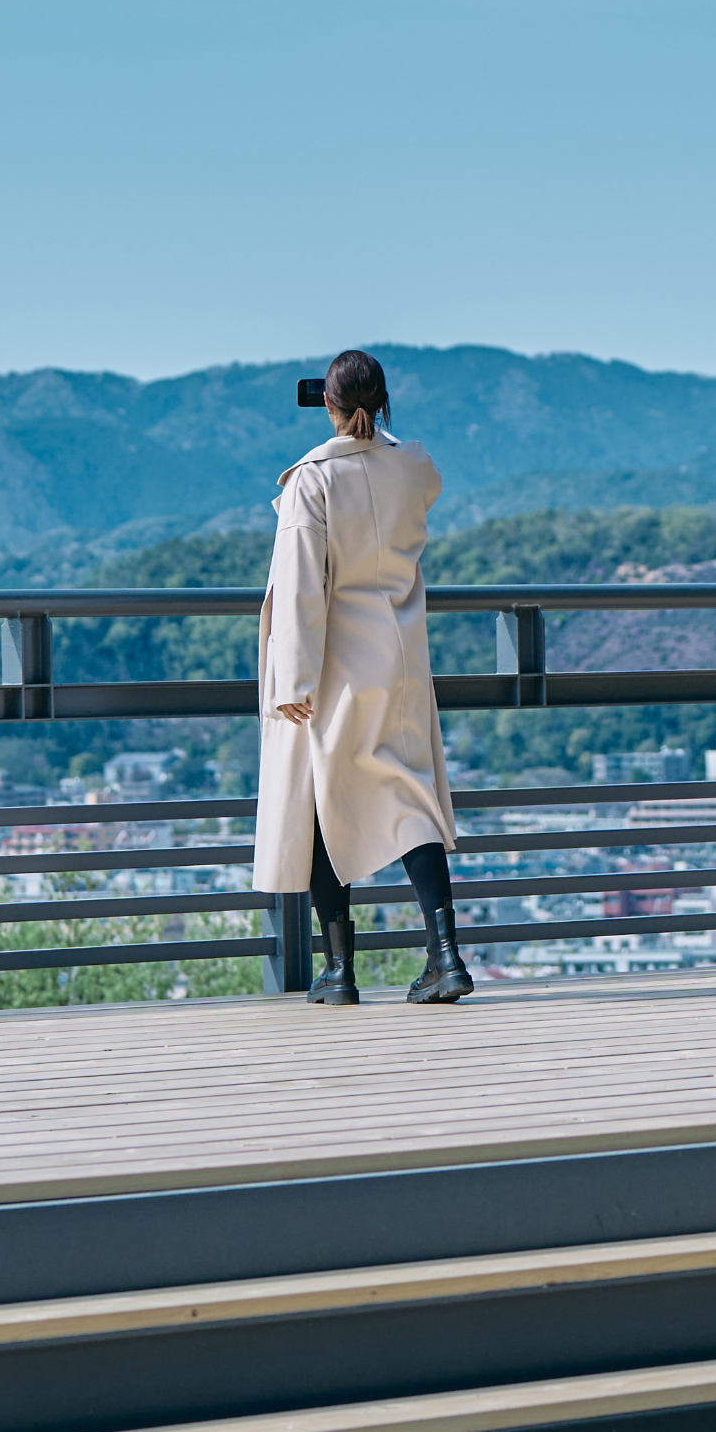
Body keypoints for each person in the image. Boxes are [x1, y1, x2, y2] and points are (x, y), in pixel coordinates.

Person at [256, 349, 470, 1004]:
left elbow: (298, 588)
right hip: (399, 658)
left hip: (333, 665)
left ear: (327, 403)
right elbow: (411, 469)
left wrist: (289, 679)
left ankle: (339, 967)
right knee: (409, 797)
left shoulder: (313, 482)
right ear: (380, 402)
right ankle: (445, 953)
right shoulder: (412, 468)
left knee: (322, 804)